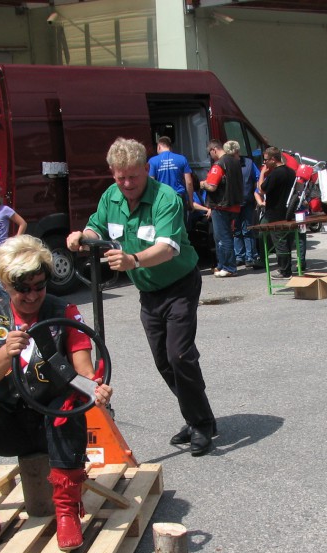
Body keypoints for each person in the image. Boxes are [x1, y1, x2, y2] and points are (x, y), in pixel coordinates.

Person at [0, 234, 112, 552]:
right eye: (23, 289)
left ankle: (67, 514)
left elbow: (83, 370)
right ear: (7, 286)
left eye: (40, 285)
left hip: (53, 418)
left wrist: (97, 389)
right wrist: (4, 352)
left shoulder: (65, 312)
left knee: (68, 408)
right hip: (10, 422)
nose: (33, 295)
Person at [67, 137, 217, 456]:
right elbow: (97, 229)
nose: (127, 183)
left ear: (146, 169)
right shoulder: (112, 196)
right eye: (120, 176)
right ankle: (195, 416)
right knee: (164, 361)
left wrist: (132, 260)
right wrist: (82, 237)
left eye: (133, 176)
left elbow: (167, 248)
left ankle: (202, 424)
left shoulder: (166, 198)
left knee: (179, 355)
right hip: (148, 290)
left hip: (179, 284)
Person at [202, 139, 243, 278]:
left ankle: (229, 267)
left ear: (214, 150)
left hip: (221, 205)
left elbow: (212, 185)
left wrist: (202, 184)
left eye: (209, 153)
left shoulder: (218, 164)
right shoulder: (235, 162)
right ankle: (222, 265)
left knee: (222, 237)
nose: (210, 156)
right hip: (234, 204)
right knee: (225, 236)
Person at [257, 146, 297, 278]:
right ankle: (287, 268)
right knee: (286, 240)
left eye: (266, 160)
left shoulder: (275, 174)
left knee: (279, 241)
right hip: (288, 211)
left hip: (275, 211)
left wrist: (262, 173)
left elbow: (261, 189)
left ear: (273, 159)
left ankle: (284, 270)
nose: (264, 163)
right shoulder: (291, 172)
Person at [148, 136, 194, 214]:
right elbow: (189, 182)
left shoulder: (152, 161)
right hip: (179, 197)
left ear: (159, 146)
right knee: (181, 224)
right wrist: (190, 201)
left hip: (162, 198)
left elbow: (151, 182)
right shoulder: (182, 159)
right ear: (170, 147)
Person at [233, 149, 261, 270]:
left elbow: (259, 178)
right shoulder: (228, 163)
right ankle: (240, 257)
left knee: (247, 229)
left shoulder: (249, 163)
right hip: (233, 203)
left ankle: (250, 257)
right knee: (236, 230)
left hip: (247, 202)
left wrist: (256, 194)